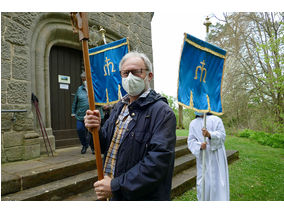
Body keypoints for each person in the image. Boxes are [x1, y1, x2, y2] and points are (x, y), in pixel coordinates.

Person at [84, 51, 176, 201]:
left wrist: (115, 186)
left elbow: (157, 163)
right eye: (126, 73)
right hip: (114, 195)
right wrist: (95, 129)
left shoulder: (162, 113)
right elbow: (103, 145)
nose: (130, 77)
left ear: (149, 76)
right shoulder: (120, 106)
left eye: (137, 72)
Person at [187, 112, 230, 201]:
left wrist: (210, 135)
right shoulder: (193, 123)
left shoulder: (216, 120)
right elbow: (191, 141)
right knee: (204, 184)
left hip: (216, 157)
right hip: (203, 157)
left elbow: (222, 136)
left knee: (217, 182)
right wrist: (199, 145)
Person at [72, 72, 104, 154]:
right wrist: (73, 112)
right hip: (80, 115)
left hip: (92, 115)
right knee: (80, 129)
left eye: (85, 79)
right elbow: (75, 101)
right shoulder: (79, 89)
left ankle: (93, 147)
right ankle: (84, 145)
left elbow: (101, 101)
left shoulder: (96, 88)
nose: (84, 81)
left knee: (91, 133)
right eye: (83, 79)